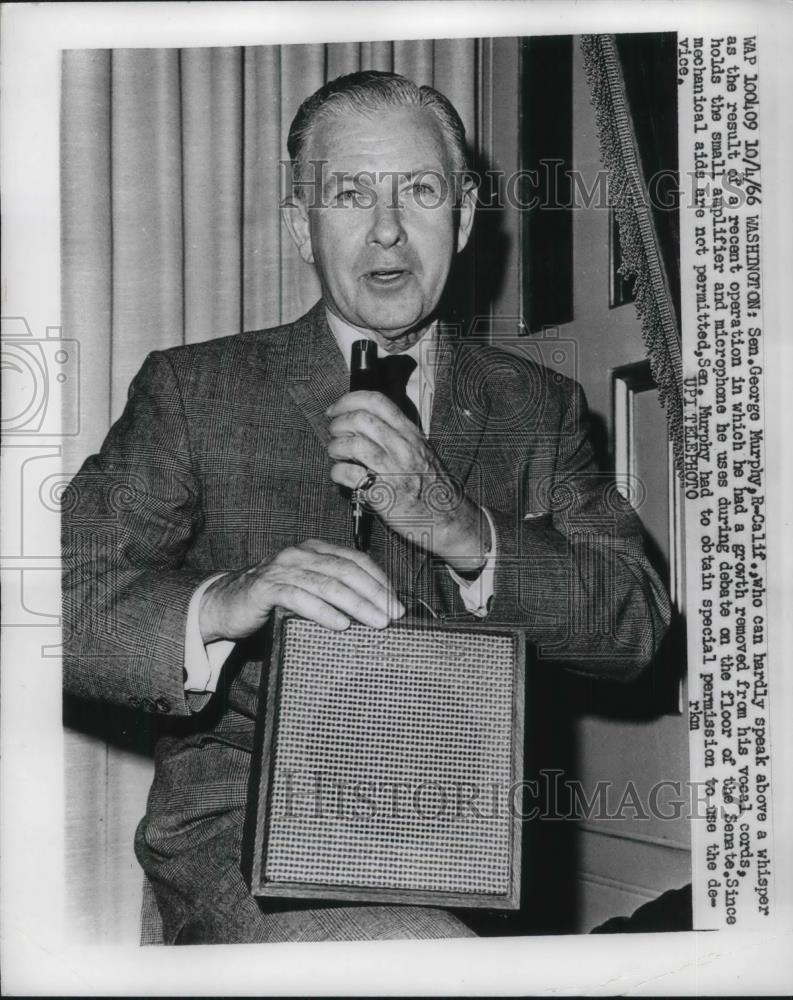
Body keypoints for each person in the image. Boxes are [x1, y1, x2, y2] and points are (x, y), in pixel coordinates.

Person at [63, 70, 671, 945]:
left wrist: (465, 533)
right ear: (298, 228)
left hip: (462, 840)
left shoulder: (536, 407)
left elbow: (636, 627)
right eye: (349, 194)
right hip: (242, 834)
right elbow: (52, 602)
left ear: (462, 218)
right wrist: (229, 600)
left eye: (419, 191)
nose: (387, 229)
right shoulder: (195, 390)